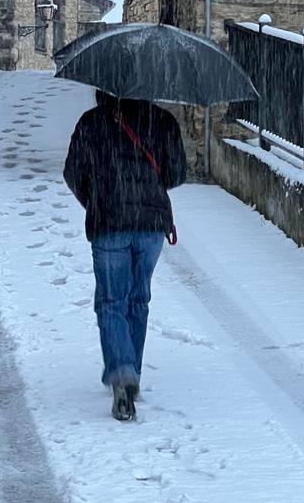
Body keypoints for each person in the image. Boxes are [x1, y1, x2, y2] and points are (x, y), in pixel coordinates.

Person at [63, 90, 187, 421]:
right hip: (150, 225)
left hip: (109, 224)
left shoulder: (91, 123)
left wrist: (97, 199)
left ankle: (122, 372)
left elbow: (73, 173)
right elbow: (177, 173)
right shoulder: (163, 121)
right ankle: (132, 371)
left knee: (111, 302)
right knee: (137, 299)